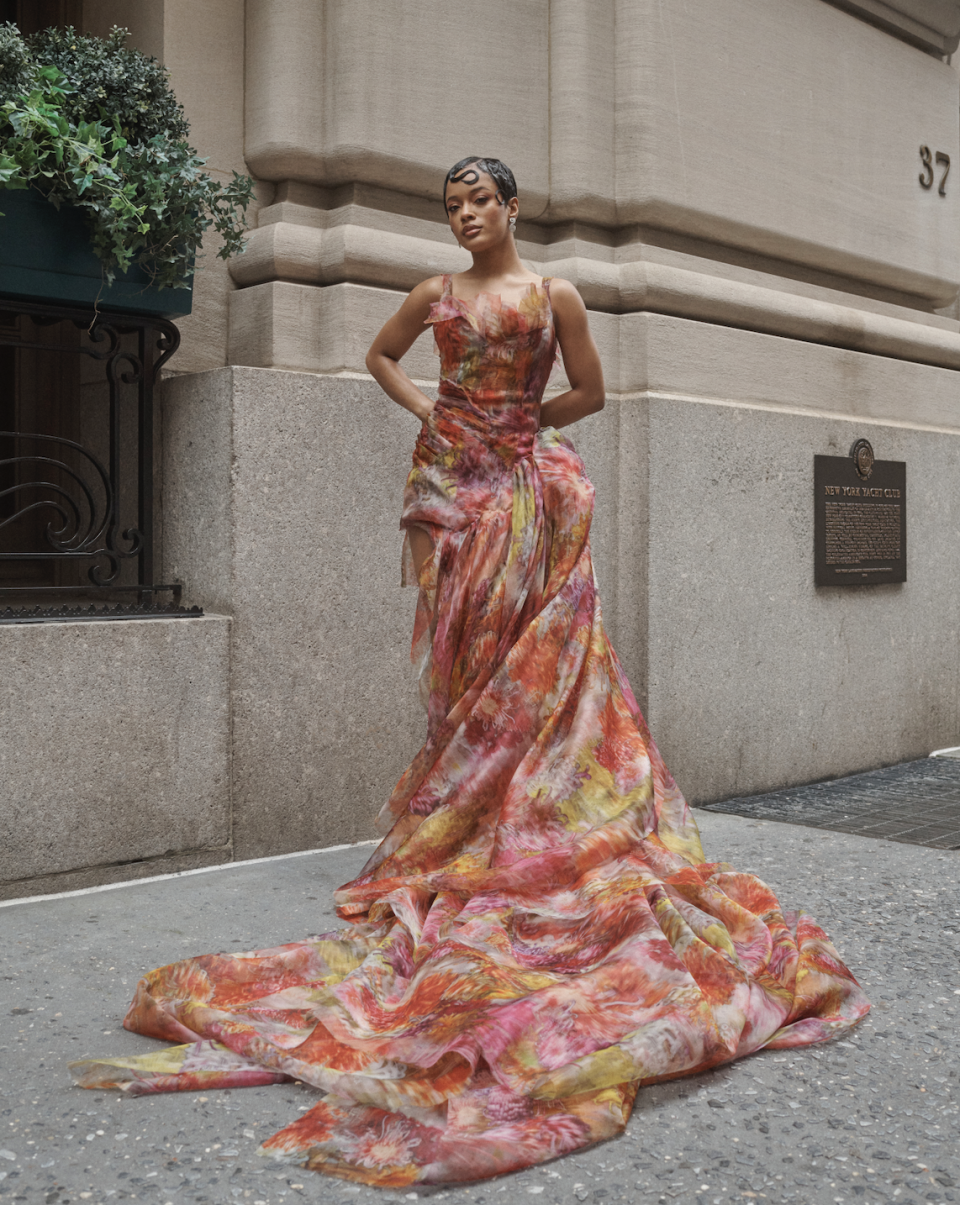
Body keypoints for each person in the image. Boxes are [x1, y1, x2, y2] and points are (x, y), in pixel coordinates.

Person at [71, 156, 869, 1187]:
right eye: (451, 204)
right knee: (468, 668)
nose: (463, 215)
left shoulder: (554, 295)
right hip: (454, 488)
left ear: (512, 208)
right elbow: (381, 355)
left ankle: (528, 822)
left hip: (535, 497)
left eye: (478, 201)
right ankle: (479, 822)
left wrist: (527, 427)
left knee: (542, 670)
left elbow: (591, 388)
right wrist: (434, 416)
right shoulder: (432, 295)